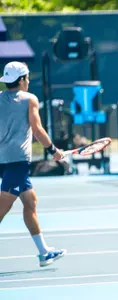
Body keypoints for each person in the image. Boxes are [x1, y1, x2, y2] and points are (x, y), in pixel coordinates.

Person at [0, 61, 67, 267]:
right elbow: (37, 130)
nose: (28, 81)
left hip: (4, 159)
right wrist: (53, 151)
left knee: (30, 202)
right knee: (2, 208)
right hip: (17, 161)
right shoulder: (30, 99)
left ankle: (44, 252)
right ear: (21, 80)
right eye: (27, 78)